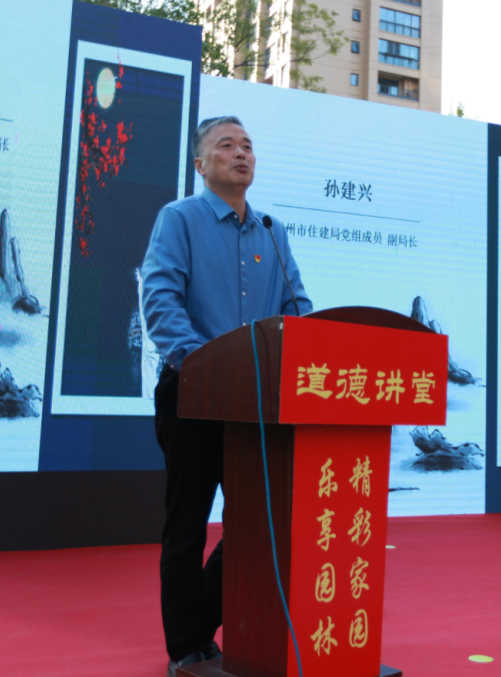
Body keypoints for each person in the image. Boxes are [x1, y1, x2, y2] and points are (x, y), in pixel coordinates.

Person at [141, 116, 312, 676]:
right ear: (200, 163)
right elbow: (160, 301)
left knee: (255, 524)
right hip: (194, 395)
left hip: (256, 405)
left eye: (248, 146)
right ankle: (186, 648)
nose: (241, 154)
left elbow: (297, 309)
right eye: (226, 146)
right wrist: (208, 367)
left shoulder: (272, 232)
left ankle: (202, 624)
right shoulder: (179, 219)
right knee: (188, 525)